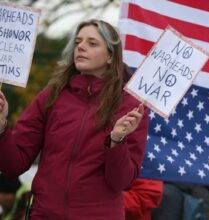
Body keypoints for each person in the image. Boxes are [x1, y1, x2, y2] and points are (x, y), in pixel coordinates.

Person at [0, 19, 148, 220]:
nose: (81, 47)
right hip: (43, 214)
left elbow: (121, 181)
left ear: (111, 57)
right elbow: (13, 165)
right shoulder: (52, 94)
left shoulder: (131, 106)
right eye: (78, 42)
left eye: (92, 43)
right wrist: (2, 128)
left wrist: (117, 140)